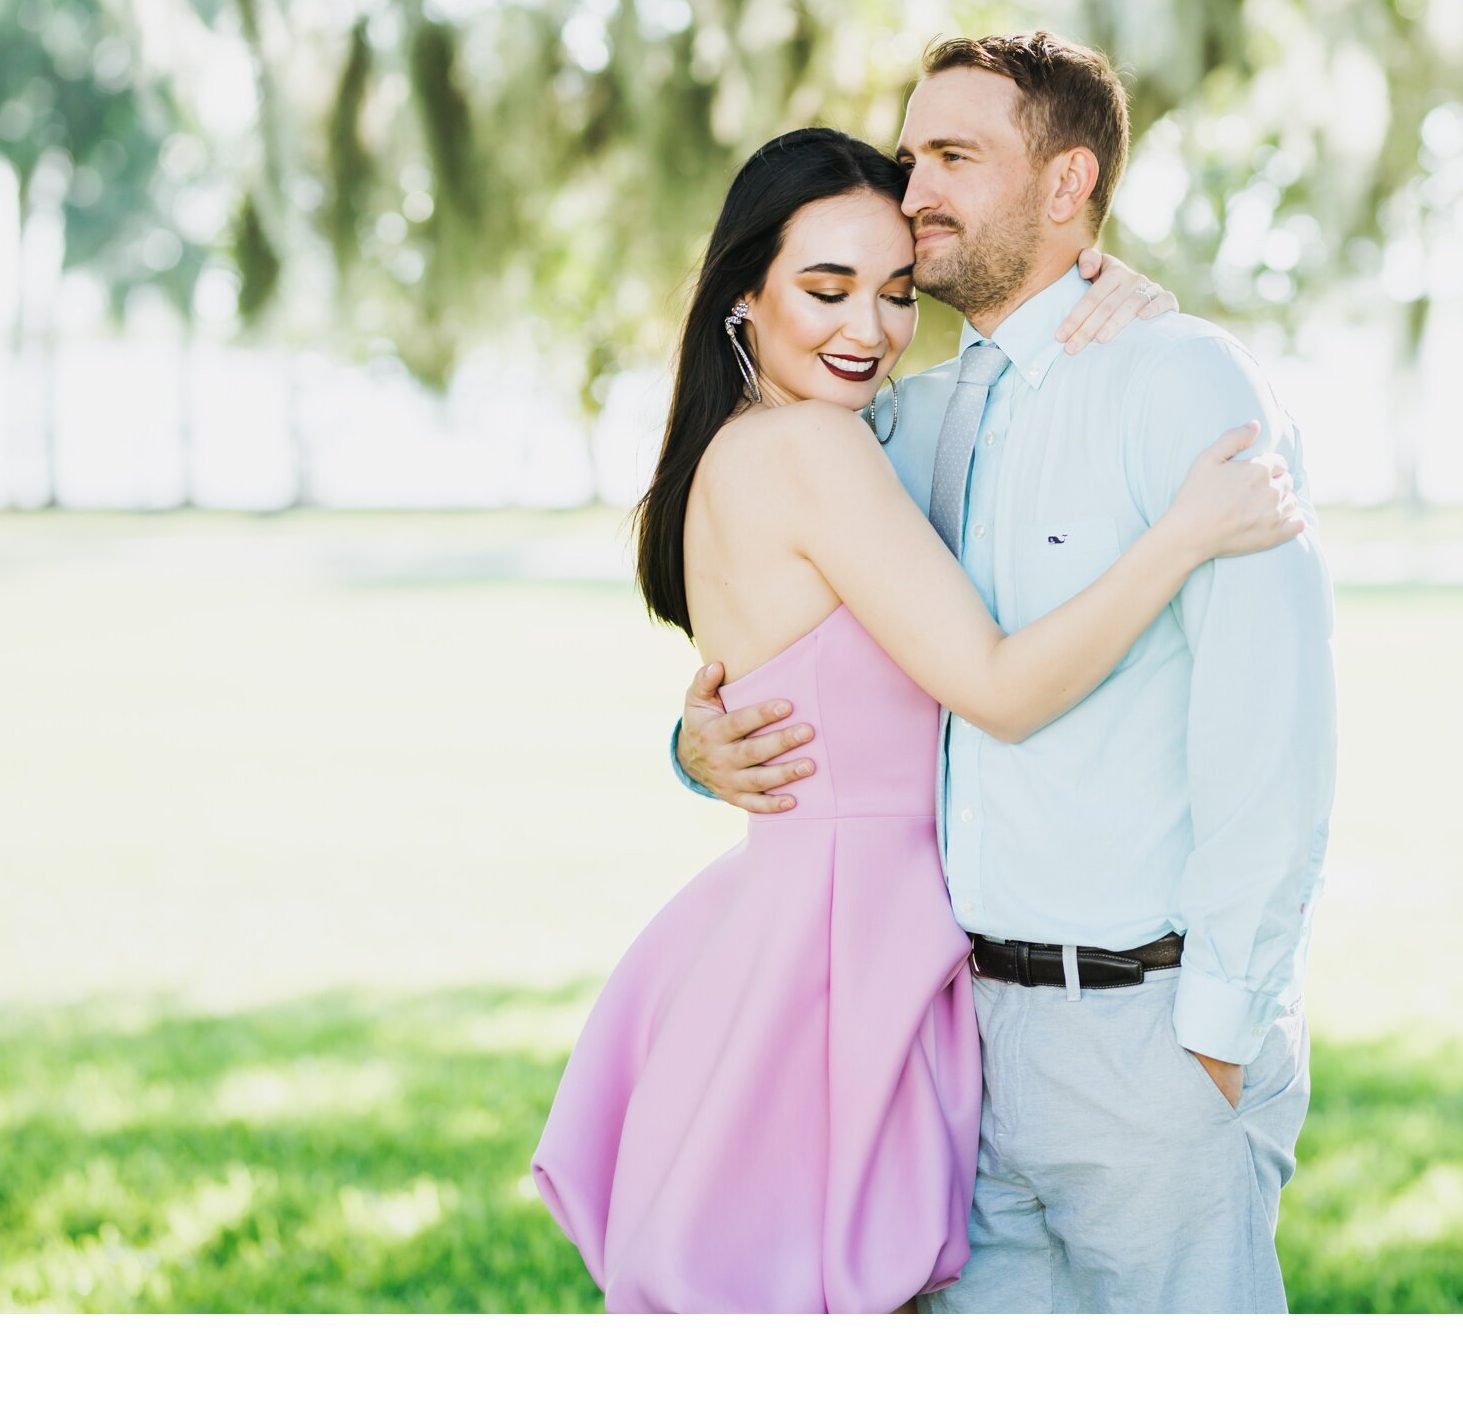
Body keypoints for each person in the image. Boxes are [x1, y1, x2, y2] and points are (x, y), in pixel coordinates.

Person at [529, 125, 1304, 1314]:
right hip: (841, 954)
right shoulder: (812, 449)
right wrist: (1182, 537)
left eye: (895, 294)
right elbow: (992, 683)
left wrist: (1105, 291)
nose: (867, 330)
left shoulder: (742, 452)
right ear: (744, 294)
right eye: (824, 289)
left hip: (808, 925)